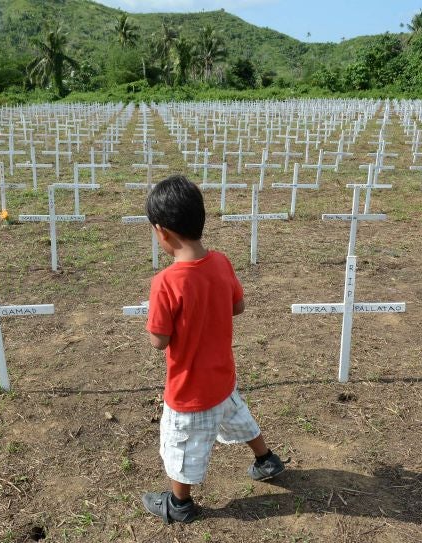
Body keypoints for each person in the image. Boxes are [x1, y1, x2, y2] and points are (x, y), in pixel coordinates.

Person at [140, 175, 285, 524]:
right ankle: (266, 459)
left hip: (190, 389)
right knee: (236, 415)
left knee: (182, 443)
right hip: (222, 375)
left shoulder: (166, 283)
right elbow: (238, 307)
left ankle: (180, 504)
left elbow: (159, 340)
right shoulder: (221, 262)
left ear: (162, 232)